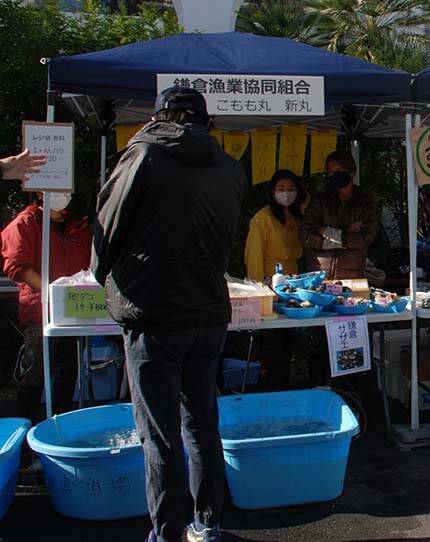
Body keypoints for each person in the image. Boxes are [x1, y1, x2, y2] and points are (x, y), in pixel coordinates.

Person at [92, 87, 245, 542]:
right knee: (201, 423)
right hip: (208, 310)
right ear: (206, 122)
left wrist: (102, 275)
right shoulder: (230, 168)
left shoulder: (143, 156)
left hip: (153, 313)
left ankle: (166, 532)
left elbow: (108, 224)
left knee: (159, 434)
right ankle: (208, 523)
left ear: (159, 117)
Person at [1, 192, 91, 422]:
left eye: (68, 189)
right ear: (40, 192)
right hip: (39, 311)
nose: (65, 194)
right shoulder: (25, 222)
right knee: (35, 372)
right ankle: (24, 434)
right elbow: (16, 265)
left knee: (67, 371)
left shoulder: (78, 227)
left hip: (73, 312)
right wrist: (50, 292)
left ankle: (60, 429)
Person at [243, 169, 308, 390]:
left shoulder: (298, 214)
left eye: (291, 189)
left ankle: (284, 383)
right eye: (281, 189)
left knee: (287, 340)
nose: (286, 193)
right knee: (273, 342)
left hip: (294, 281)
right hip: (270, 283)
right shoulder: (262, 218)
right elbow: (253, 256)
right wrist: (258, 289)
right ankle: (272, 385)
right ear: (272, 192)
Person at [300, 151, 379, 279]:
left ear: (352, 172)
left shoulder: (365, 202)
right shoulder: (320, 199)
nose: (334, 175)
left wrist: (325, 231)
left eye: (339, 170)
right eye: (331, 172)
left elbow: (366, 237)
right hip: (319, 274)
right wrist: (344, 239)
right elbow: (305, 235)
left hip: (352, 275)